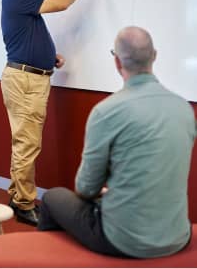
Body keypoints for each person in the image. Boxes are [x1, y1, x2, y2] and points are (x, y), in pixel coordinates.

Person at [38, 26, 197, 258]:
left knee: (52, 198)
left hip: (123, 240)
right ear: (154, 56)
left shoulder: (107, 111)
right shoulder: (183, 109)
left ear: (117, 63)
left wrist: (105, 191)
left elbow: (85, 188)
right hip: (177, 236)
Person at [0, 0, 98, 226]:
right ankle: (24, 203)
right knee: (27, 144)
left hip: (27, 76)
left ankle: (16, 195)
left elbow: (25, 34)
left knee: (24, 143)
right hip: (26, 81)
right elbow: (63, 3)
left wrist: (47, 55)